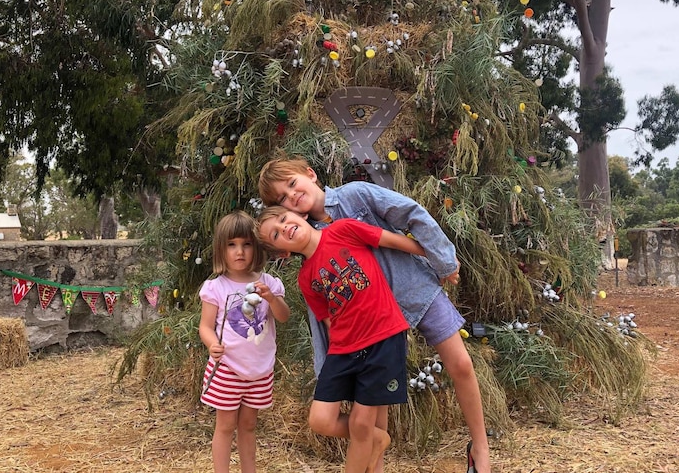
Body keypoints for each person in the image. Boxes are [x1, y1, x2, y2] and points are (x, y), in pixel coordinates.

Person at [258, 156, 492, 473]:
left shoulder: (355, 195)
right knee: (372, 409)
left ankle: (480, 447)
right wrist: (330, 362)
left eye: (292, 184)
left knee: (461, 364)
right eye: (282, 198)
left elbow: (411, 214)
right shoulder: (302, 236)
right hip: (371, 325)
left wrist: (443, 260)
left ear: (310, 174)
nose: (292, 196)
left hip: (412, 287)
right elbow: (324, 309)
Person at [257, 205, 424, 473]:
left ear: (298, 215)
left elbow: (392, 240)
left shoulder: (343, 229)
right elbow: (327, 319)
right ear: (284, 252)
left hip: (382, 337)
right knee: (321, 420)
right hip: (344, 348)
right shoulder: (305, 278)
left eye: (282, 219)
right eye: (275, 234)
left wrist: (435, 256)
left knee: (361, 425)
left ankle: (370, 437)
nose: (283, 227)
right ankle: (378, 438)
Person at [198, 211, 291, 473]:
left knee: (249, 425)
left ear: (256, 247)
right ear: (221, 249)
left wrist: (272, 298)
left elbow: (283, 317)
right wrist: (211, 344)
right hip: (227, 368)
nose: (239, 251)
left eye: (246, 244)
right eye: (231, 245)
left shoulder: (269, 283)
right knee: (225, 426)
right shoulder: (215, 287)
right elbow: (205, 326)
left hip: (261, 369)